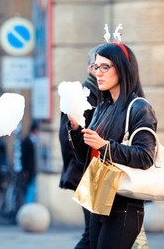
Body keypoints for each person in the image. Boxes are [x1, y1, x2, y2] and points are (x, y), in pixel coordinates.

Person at [67, 41, 158, 248]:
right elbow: (85, 158)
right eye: (96, 67)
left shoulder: (139, 107)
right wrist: (74, 128)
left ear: (123, 68)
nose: (98, 73)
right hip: (97, 193)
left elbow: (145, 157)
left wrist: (104, 146)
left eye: (105, 67)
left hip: (123, 202)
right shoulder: (102, 106)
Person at [58, 45, 99, 249]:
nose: (102, 71)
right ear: (91, 68)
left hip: (92, 172)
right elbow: (67, 139)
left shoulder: (98, 93)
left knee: (95, 234)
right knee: (92, 234)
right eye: (99, 66)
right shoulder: (83, 94)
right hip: (88, 172)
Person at [20, 121, 40, 204]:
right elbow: (24, 157)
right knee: (30, 189)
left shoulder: (34, 141)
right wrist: (25, 170)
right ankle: (27, 206)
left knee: (33, 189)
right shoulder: (27, 142)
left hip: (33, 170)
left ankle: (29, 205)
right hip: (28, 171)